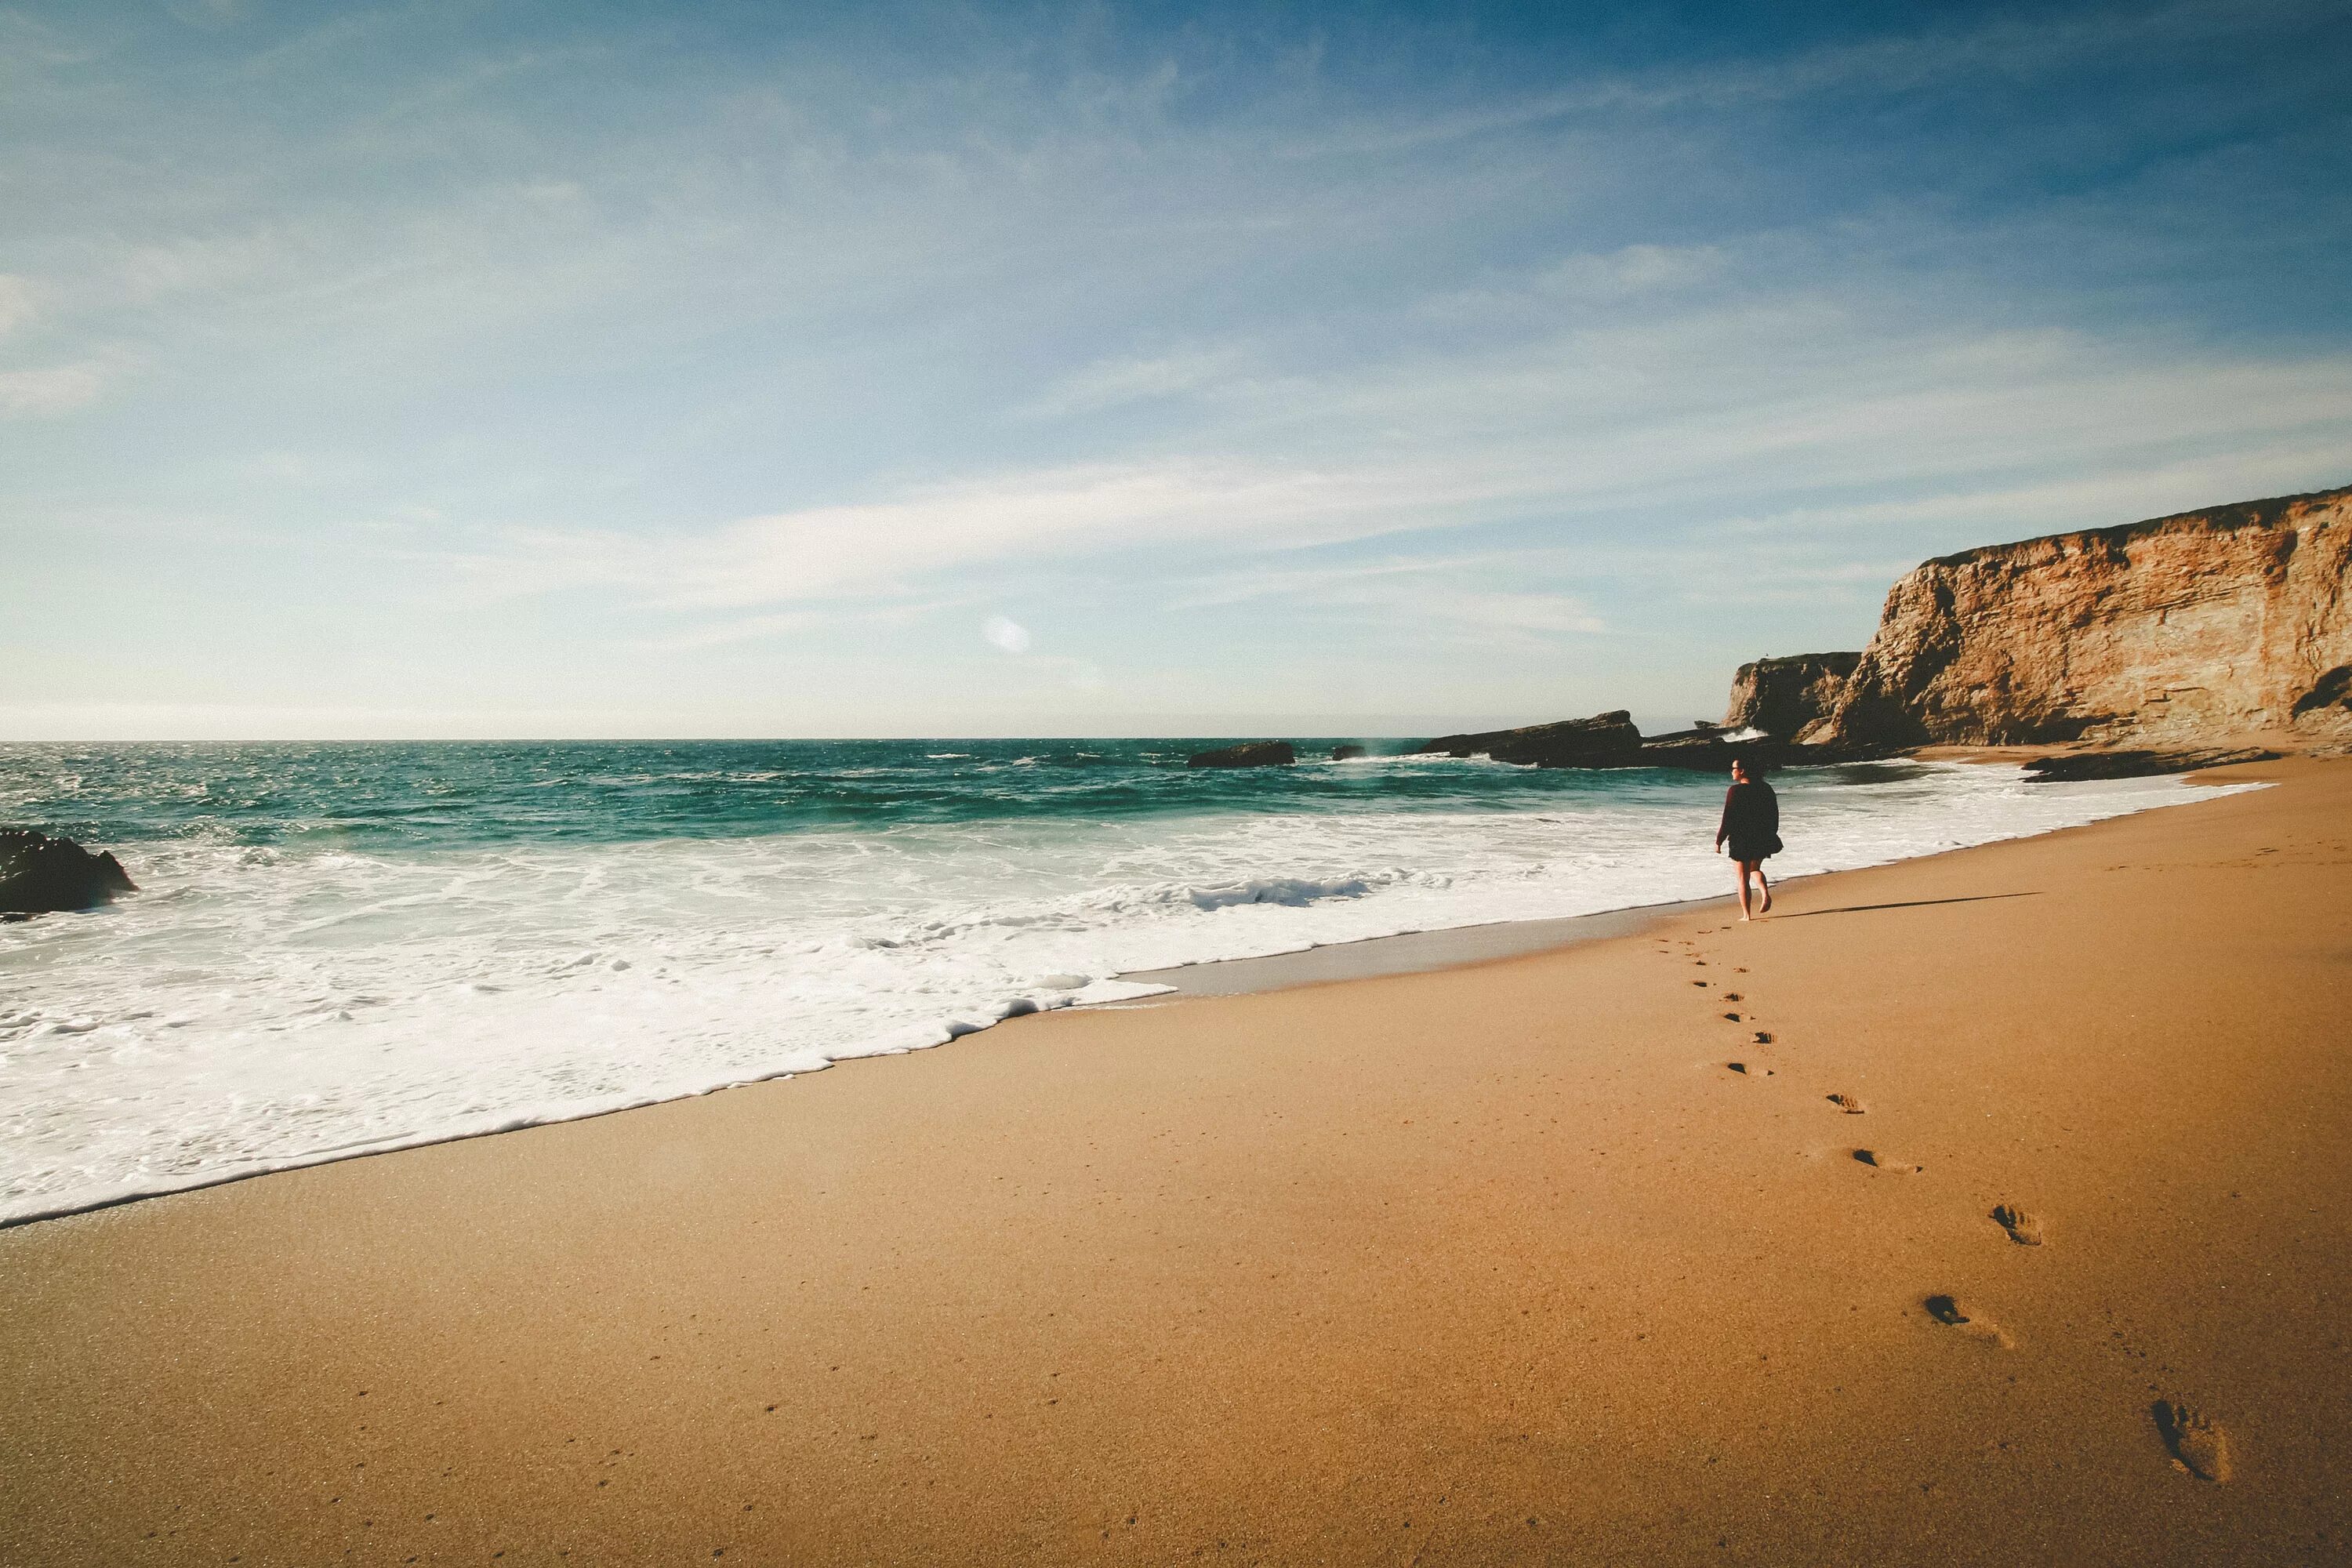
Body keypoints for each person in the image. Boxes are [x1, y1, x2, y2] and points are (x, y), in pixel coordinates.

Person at [1715, 755, 1781, 921]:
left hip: (1740, 838)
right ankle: (1765, 892)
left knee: (1742, 878)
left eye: (1734, 769)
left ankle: (1747, 915)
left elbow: (1727, 818)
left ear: (1742, 771)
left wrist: (1719, 840)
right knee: (1754, 869)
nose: (1732, 772)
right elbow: (1774, 815)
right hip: (1761, 836)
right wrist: (1771, 834)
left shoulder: (1735, 791)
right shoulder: (1766, 789)